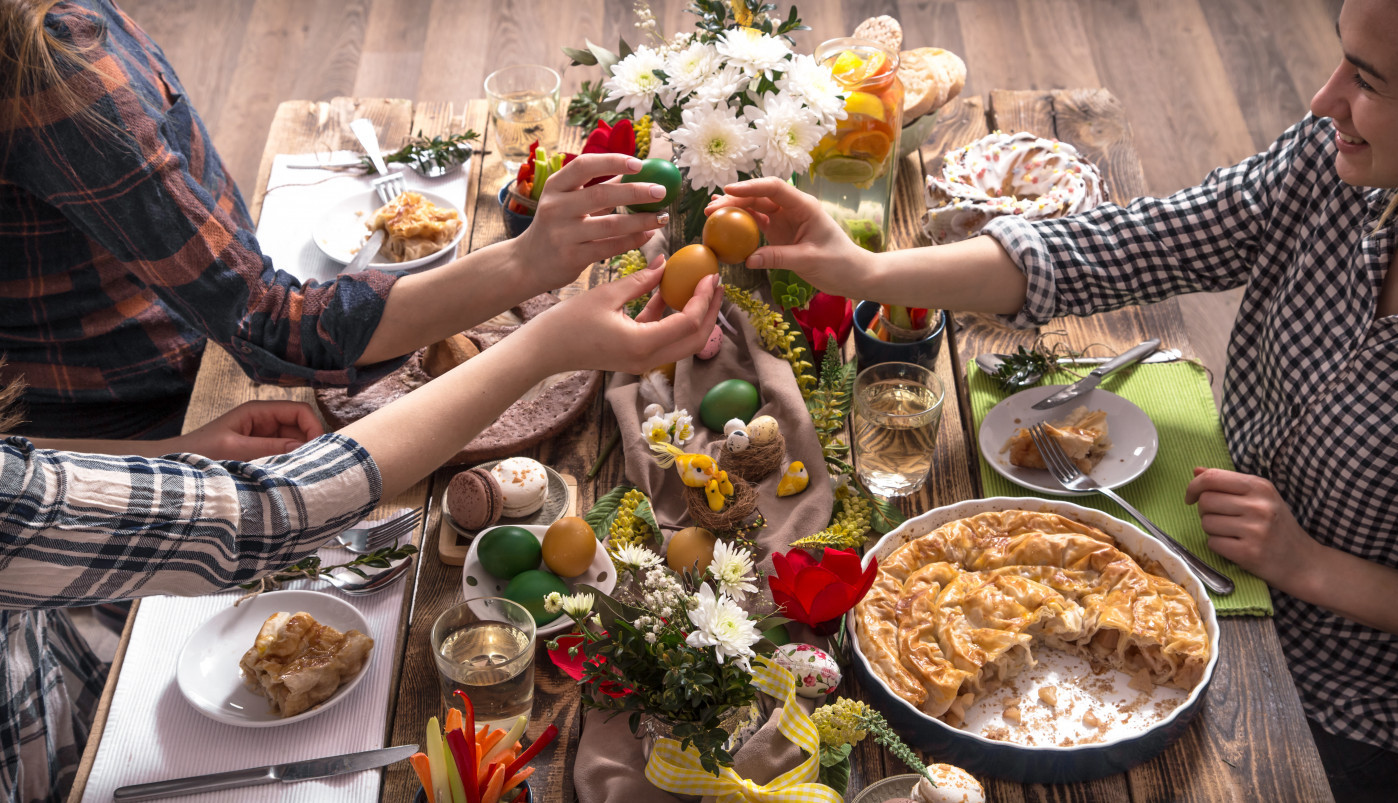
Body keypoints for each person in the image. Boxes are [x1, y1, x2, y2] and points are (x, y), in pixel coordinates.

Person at [709, 0, 1398, 797]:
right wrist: (866, 272)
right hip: (1213, 534)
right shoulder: (1335, 162)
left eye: (1369, 79)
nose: (1323, 96)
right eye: (1340, 57)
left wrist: (1307, 563)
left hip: (1347, 699)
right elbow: (1131, 244)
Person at [0, 258, 722, 802]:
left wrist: (179, 457)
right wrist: (541, 348)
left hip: (55, 650)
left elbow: (27, 477)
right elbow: (266, 516)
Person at [0, 0, 671, 440]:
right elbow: (265, 322)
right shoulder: (54, 64)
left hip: (177, 381)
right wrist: (527, 265)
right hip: (163, 415)